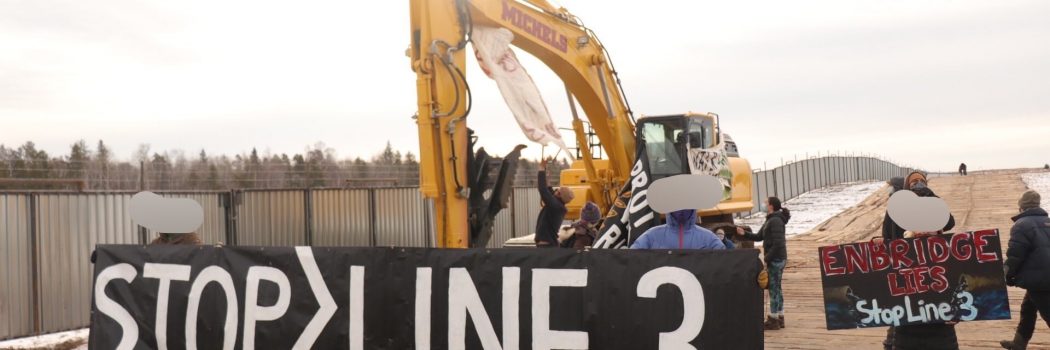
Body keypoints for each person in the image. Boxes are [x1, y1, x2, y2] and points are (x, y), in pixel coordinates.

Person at [887, 172, 959, 350]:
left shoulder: (932, 203)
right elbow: (888, 237)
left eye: (921, 182)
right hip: (912, 276)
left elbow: (949, 222)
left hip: (931, 275)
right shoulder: (897, 209)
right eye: (914, 182)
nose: (918, 184)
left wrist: (929, 196)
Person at [1000, 190, 1050, 350]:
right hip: (1042, 276)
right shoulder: (1048, 221)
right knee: (1028, 308)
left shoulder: (1021, 225)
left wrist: (1007, 274)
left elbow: (1015, 255)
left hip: (1040, 280)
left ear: (1021, 206)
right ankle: (1019, 343)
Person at [736, 196, 790, 330]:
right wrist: (745, 234)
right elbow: (759, 236)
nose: (763, 204)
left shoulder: (776, 221)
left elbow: (778, 243)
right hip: (776, 258)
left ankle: (773, 319)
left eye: (766, 202)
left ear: (771, 206)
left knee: (773, 289)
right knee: (777, 288)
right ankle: (780, 317)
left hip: (776, 259)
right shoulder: (770, 220)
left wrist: (767, 258)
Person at [630, 209, 725, 250]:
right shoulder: (652, 235)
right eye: (677, 205)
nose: (681, 210)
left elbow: (726, 260)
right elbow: (631, 258)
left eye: (686, 204)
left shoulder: (708, 238)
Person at [534, 158, 574, 248]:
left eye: (557, 190)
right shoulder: (558, 206)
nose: (555, 190)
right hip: (549, 246)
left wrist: (541, 169)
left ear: (559, 194)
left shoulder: (555, 206)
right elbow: (549, 190)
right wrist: (545, 173)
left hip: (546, 248)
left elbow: (543, 190)